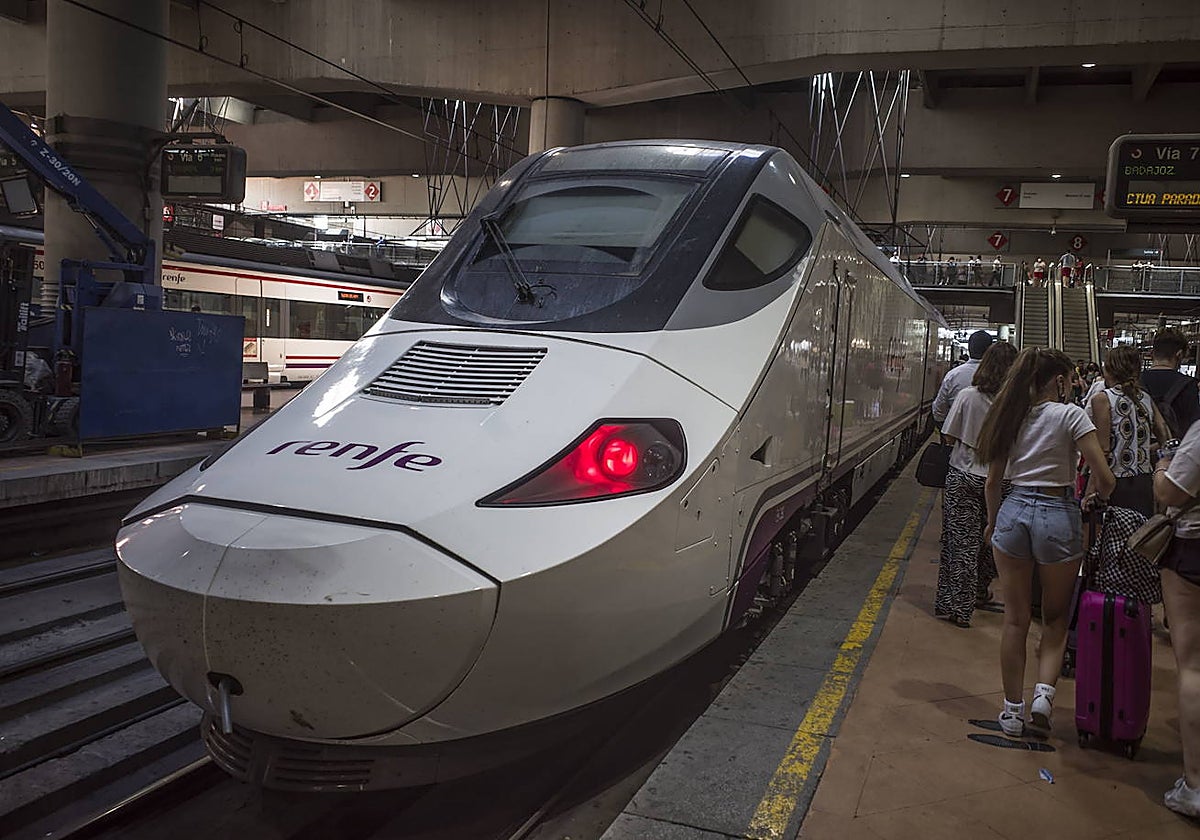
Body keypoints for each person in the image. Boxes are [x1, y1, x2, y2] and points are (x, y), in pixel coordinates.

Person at [978, 348, 1116, 736]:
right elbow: (1104, 478)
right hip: (1058, 514)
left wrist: (993, 523)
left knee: (1015, 619)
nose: (1074, 385)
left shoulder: (1010, 416)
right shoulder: (1072, 415)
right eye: (1071, 379)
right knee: (1054, 619)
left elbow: (993, 482)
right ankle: (1042, 697)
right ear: (1059, 380)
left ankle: (1010, 712)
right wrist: (1096, 497)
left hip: (1014, 511)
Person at [937, 341, 1018, 626]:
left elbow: (948, 436)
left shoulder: (968, 396)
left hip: (964, 474)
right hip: (1004, 481)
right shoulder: (1018, 405)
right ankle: (980, 589)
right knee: (992, 541)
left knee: (961, 543)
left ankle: (959, 606)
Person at [1153, 420, 1200, 817]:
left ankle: (1196, 786)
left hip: (1194, 551)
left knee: (1194, 667)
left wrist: (1162, 465)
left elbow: (1170, 491)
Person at [1090, 345, 1172, 517]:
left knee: (1111, 539)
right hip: (1144, 482)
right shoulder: (1145, 398)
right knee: (1140, 540)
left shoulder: (1102, 399)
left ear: (1109, 370)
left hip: (1115, 482)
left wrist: (1091, 489)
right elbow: (1165, 435)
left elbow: (1103, 450)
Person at [1142, 327, 1200, 438]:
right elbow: (1194, 430)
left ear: (1151, 353)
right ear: (1179, 355)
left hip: (1140, 451)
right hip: (1175, 452)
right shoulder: (1189, 385)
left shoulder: (1134, 382)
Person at [932, 330, 995, 425]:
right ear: (991, 349)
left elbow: (939, 411)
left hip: (957, 433)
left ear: (969, 348)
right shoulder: (999, 375)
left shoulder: (953, 375)